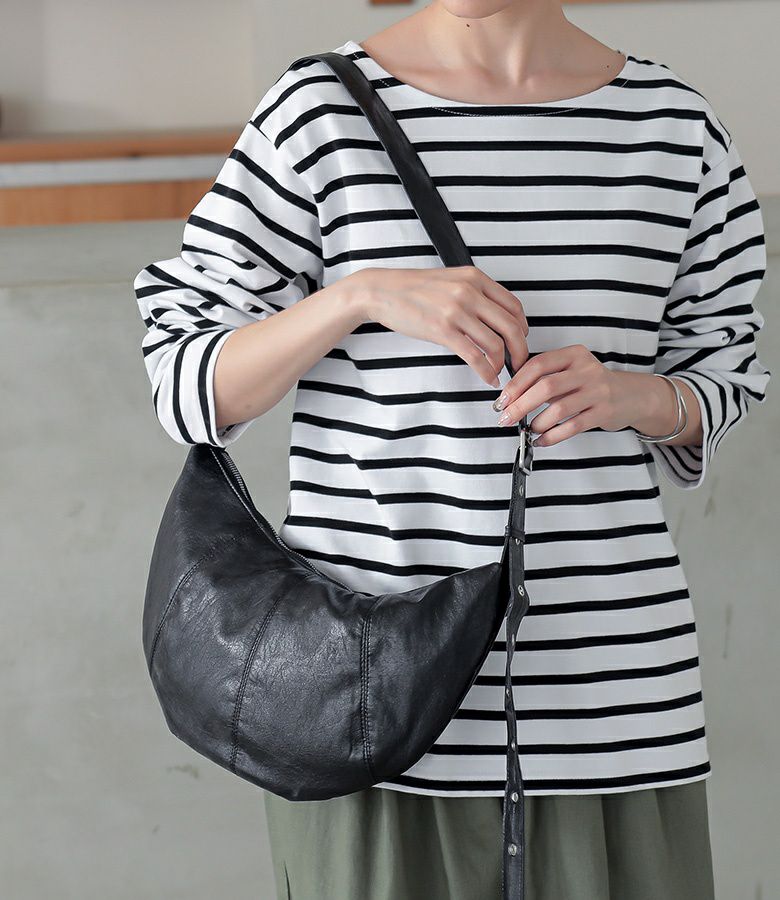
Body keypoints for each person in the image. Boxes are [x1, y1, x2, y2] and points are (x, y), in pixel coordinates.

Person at [133, 2, 771, 898]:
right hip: (368, 710)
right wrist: (358, 297)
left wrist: (631, 395)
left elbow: (727, 371)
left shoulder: (673, 129)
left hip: (613, 703)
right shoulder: (319, 112)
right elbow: (184, 379)